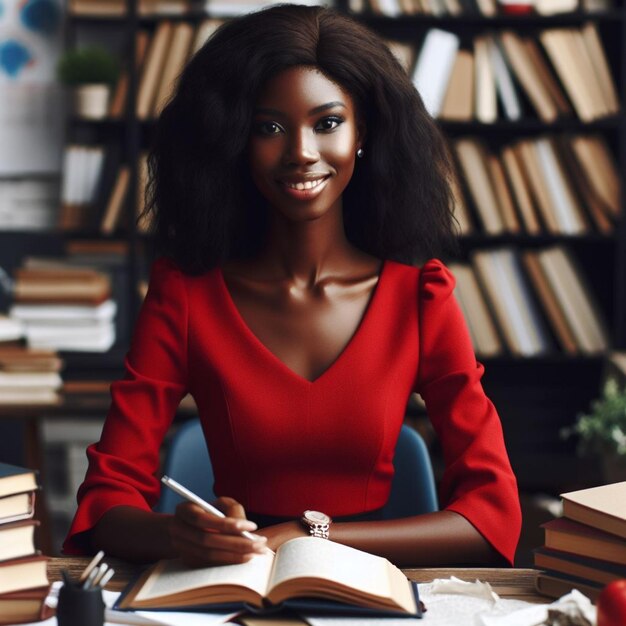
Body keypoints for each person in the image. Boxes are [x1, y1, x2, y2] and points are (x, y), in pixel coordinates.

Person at [64, 3, 521, 568]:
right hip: (231, 582)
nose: (301, 152)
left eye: (327, 123)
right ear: (234, 139)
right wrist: (179, 535)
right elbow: (107, 497)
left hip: (377, 589)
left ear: (363, 135)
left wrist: (306, 538)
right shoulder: (186, 295)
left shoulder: (421, 296)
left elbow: (491, 513)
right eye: (269, 127)